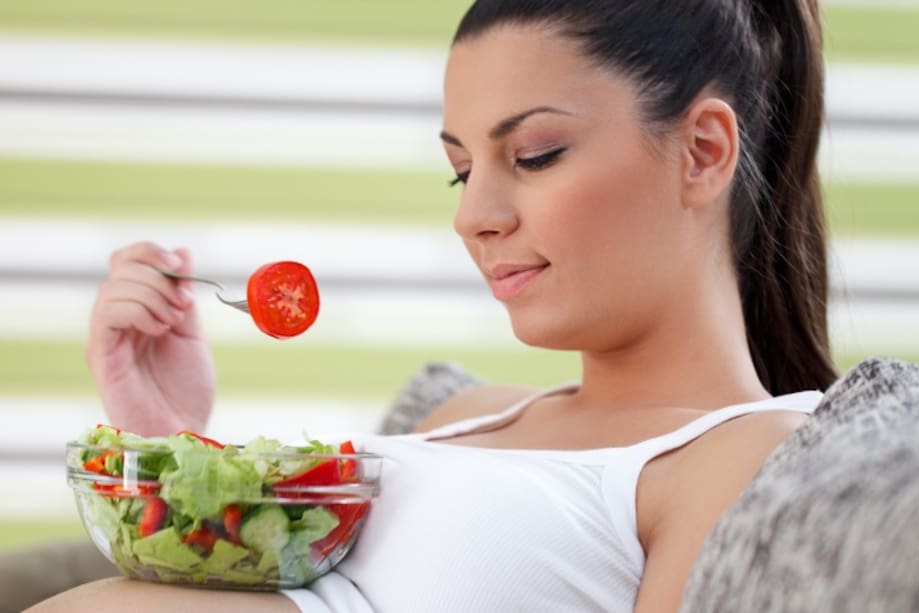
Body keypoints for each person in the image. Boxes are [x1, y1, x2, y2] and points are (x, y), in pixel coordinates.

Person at [28, 0, 837, 611]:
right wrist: (176, 438)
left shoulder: (748, 453)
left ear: (702, 152)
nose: (472, 214)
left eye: (534, 155)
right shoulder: (465, 411)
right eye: (460, 169)